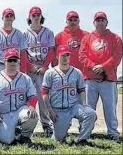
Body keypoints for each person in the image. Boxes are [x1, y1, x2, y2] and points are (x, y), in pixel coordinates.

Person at [78, 11, 122, 142]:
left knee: (110, 108)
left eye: (103, 20)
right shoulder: (87, 38)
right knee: (88, 109)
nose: (100, 22)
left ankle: (113, 133)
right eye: (98, 20)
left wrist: (103, 66)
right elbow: (82, 56)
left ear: (107, 22)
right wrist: (93, 66)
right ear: (94, 23)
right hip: (90, 80)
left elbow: (117, 56)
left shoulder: (115, 38)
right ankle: (85, 133)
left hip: (108, 79)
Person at [42, 45, 97, 144]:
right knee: (59, 139)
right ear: (57, 57)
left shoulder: (76, 72)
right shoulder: (50, 73)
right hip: (58, 109)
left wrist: (84, 105)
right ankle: (61, 128)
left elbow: (81, 90)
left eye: (67, 55)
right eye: (62, 55)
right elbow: (44, 93)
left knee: (90, 113)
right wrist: (50, 110)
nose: (65, 57)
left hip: (73, 107)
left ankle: (82, 140)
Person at [0, 48, 39, 144]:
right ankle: (13, 132)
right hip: (3, 113)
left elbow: (33, 95)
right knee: (6, 140)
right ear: (4, 61)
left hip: (20, 110)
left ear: (18, 61)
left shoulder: (25, 78)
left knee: (32, 116)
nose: (13, 62)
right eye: (10, 60)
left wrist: (31, 106)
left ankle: (25, 136)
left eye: (15, 60)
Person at [23, 6, 55, 137]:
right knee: (29, 97)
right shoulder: (24, 33)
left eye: (38, 15)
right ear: (30, 18)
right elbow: (23, 52)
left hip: (43, 67)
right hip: (30, 67)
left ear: (41, 17)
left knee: (44, 98)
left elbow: (52, 51)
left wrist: (46, 66)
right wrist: (30, 67)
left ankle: (47, 125)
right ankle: (26, 126)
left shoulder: (48, 32)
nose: (36, 17)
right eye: (33, 15)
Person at [0, 8, 28, 74]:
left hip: (15, 65)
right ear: (2, 18)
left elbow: (23, 53)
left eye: (11, 16)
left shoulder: (19, 34)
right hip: (0, 65)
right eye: (7, 16)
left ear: (14, 18)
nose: (9, 18)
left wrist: (23, 71)